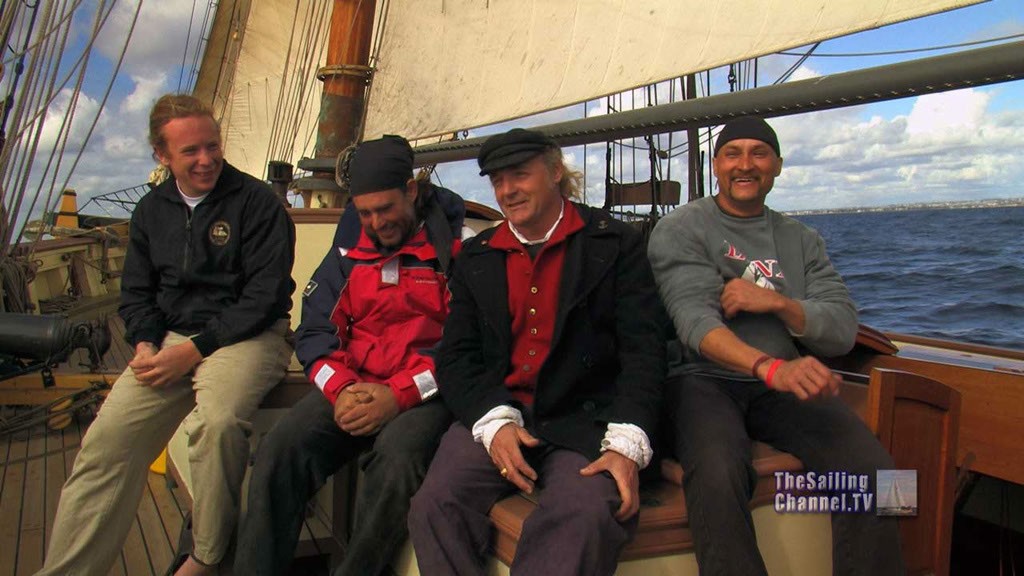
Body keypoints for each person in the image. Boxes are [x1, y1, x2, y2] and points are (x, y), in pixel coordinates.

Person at [39, 93, 295, 576]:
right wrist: (144, 344)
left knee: (216, 425)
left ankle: (206, 558)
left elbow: (264, 298)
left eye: (212, 146)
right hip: (171, 341)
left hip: (249, 336)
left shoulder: (258, 204)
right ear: (162, 156)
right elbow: (136, 292)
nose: (206, 159)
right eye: (191, 151)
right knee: (104, 445)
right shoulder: (151, 211)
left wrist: (195, 351)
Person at [647, 115, 903, 575]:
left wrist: (778, 303)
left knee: (883, 473)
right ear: (716, 165)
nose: (745, 165)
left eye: (758, 153)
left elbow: (843, 328)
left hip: (778, 382)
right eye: (732, 153)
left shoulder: (801, 239)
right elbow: (695, 324)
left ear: (778, 165)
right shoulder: (681, 227)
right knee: (719, 472)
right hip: (701, 379)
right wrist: (771, 367)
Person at [408, 128, 666, 575]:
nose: (507, 191)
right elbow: (456, 355)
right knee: (435, 505)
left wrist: (626, 443)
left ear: (554, 172)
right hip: (502, 412)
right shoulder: (477, 256)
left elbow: (644, 350)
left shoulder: (614, 244)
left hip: (586, 419)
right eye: (498, 181)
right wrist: (494, 421)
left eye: (519, 175)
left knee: (584, 516)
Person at [234, 135, 466, 576]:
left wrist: (396, 396)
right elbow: (315, 332)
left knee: (398, 462)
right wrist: (341, 390)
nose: (377, 222)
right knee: (280, 451)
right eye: (365, 213)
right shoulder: (347, 254)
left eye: (386, 208)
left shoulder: (453, 253)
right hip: (354, 386)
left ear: (411, 191)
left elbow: (462, 348)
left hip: (424, 396)